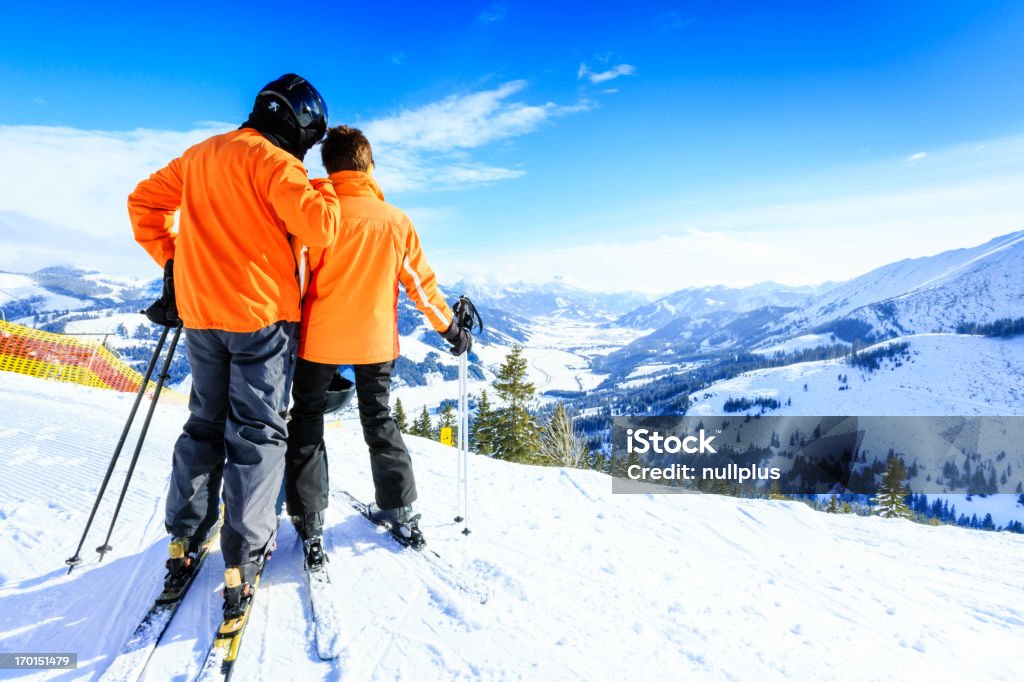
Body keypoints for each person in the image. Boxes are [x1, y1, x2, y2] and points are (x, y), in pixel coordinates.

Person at [127, 74, 341, 618]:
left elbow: (144, 204)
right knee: (257, 433)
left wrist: (175, 266)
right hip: (261, 318)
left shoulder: (200, 154)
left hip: (202, 315)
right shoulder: (276, 163)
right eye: (309, 138)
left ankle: (185, 538)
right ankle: (243, 555)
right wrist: (327, 186)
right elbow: (320, 228)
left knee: (204, 422)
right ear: (296, 123)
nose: (308, 149)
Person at [285, 125, 472, 566]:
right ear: (368, 165)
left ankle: (310, 521)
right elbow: (421, 288)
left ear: (329, 167)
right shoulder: (395, 222)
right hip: (374, 340)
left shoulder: (316, 216)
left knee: (307, 420)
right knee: (379, 418)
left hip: (319, 339)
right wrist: (450, 330)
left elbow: (297, 280)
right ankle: (400, 509)